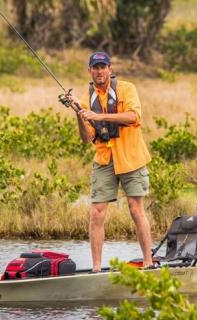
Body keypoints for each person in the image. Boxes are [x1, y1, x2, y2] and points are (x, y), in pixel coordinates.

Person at [67, 52, 153, 272]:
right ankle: (96, 269)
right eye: (95, 67)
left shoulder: (127, 88)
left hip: (131, 158)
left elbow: (133, 117)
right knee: (96, 212)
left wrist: (99, 117)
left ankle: (148, 263)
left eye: (102, 67)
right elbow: (86, 138)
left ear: (110, 69)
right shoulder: (87, 99)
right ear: (89, 71)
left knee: (136, 209)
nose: (99, 71)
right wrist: (79, 113)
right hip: (104, 159)